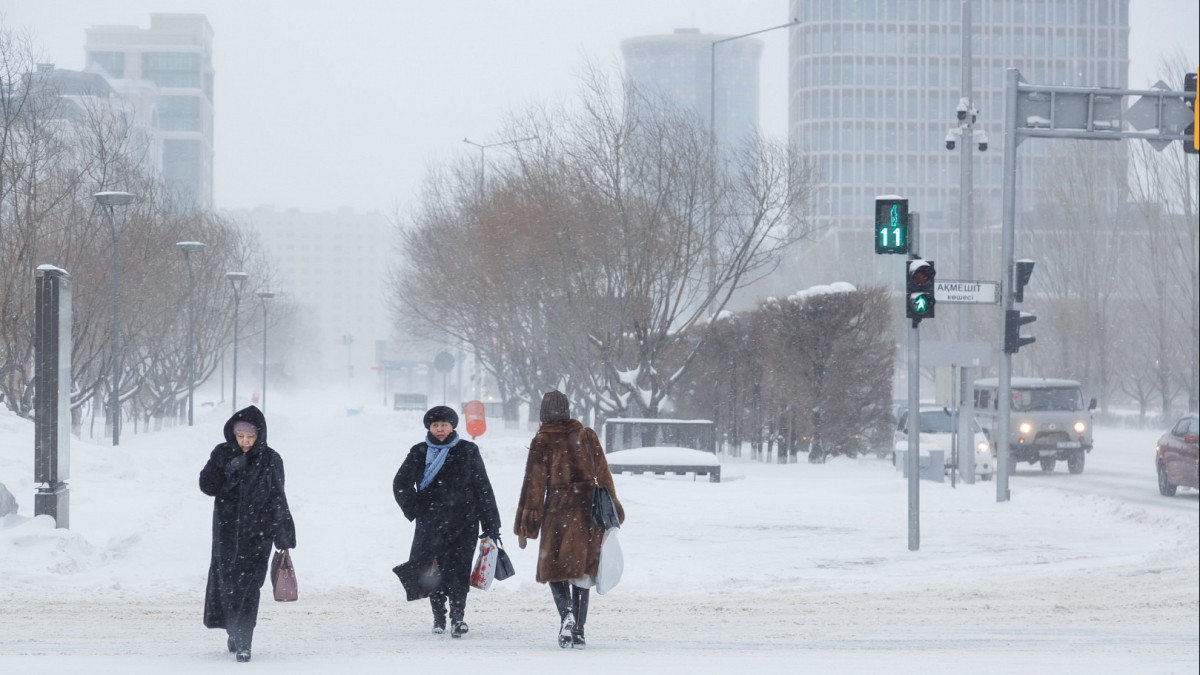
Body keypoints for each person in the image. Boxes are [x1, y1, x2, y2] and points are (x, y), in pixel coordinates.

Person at [514, 390, 625, 648]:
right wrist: (614, 510)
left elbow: (534, 486)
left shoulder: (542, 440)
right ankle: (580, 631)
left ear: (543, 413)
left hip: (557, 512)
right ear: (567, 410)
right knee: (582, 572)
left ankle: (566, 616)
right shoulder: (587, 435)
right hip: (588, 514)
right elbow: (604, 477)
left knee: (555, 569)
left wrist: (526, 526)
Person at [393, 405, 502, 638]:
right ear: (428, 428)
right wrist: (415, 508)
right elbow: (400, 484)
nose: (440, 429)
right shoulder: (419, 452)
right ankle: (439, 616)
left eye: (444, 425)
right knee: (434, 570)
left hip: (464, 523)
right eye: (435, 425)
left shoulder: (468, 450)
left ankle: (458, 617)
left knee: (460, 569)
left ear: (453, 426)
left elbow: (483, 488)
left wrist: (491, 523)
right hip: (431, 524)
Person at [199, 405, 296, 663]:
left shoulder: (271, 460)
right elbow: (207, 486)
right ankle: (233, 629)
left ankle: (244, 640)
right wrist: (225, 469)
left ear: (259, 435)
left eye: (250, 437)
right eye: (240, 436)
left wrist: (283, 536)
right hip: (227, 534)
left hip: (258, 535)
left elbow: (278, 497)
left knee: (250, 587)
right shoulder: (222, 453)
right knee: (229, 586)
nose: (245, 442)